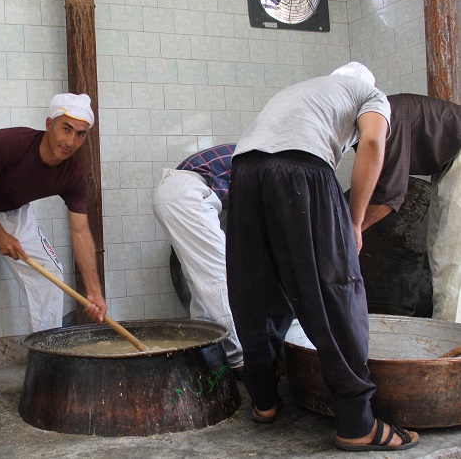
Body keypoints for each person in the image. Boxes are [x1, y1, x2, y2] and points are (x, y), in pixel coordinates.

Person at [225, 62, 419, 451]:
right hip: (302, 170)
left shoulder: (304, 91)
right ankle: (357, 423)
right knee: (335, 288)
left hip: (244, 170)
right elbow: (374, 143)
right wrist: (354, 222)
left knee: (256, 286)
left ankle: (263, 400)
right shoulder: (370, 94)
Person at [0, 93, 107, 414]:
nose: (70, 141)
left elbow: (80, 232)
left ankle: (46, 364)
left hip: (14, 212)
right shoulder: (11, 142)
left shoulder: (73, 175)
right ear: (49, 124)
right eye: (65, 129)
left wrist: (94, 291)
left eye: (80, 134)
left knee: (50, 276)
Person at [361, 93, 461, 323]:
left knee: (451, 254)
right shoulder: (368, 121)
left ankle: (448, 341)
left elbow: (392, 194)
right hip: (447, 163)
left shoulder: (384, 117)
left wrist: (352, 229)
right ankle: (444, 331)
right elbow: (372, 182)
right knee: (437, 247)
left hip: (457, 156)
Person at [152, 144, 243, 370]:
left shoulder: (252, 154)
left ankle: (203, 350)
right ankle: (240, 359)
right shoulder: (265, 162)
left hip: (172, 191)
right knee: (220, 276)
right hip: (187, 193)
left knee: (199, 281)